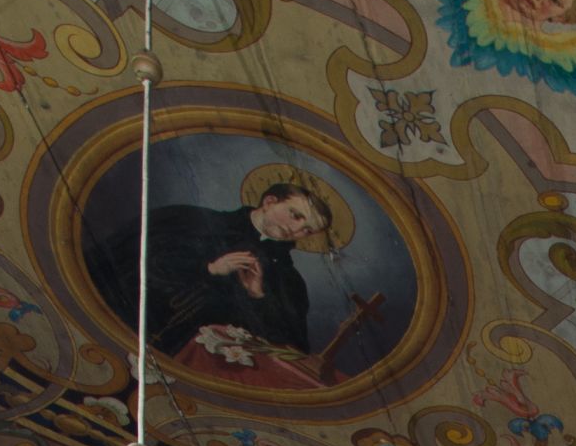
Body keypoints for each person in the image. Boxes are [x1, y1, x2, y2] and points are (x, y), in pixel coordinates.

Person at [88, 163, 379, 388]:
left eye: (308, 230)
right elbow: (127, 263)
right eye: (295, 215)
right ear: (269, 201)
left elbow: (291, 348)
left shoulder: (288, 281)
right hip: (118, 330)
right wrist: (208, 269)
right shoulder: (189, 220)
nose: (296, 230)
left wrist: (257, 296)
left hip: (186, 369)